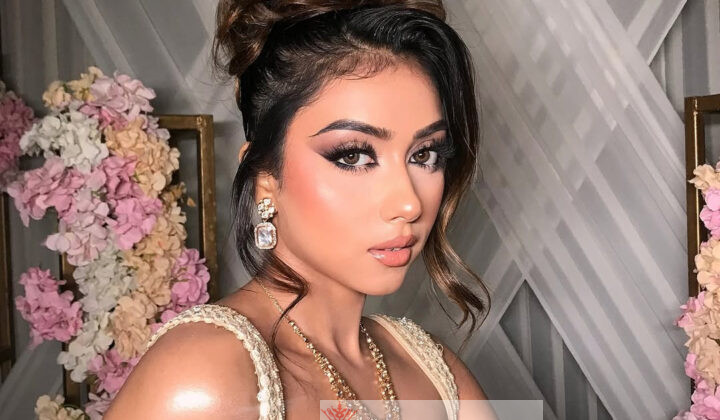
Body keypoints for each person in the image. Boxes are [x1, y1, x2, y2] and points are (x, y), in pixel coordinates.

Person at [104, 1, 496, 419]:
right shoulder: (203, 376)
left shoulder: (434, 371)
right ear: (266, 177)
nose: (409, 203)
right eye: (353, 156)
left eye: (424, 155)